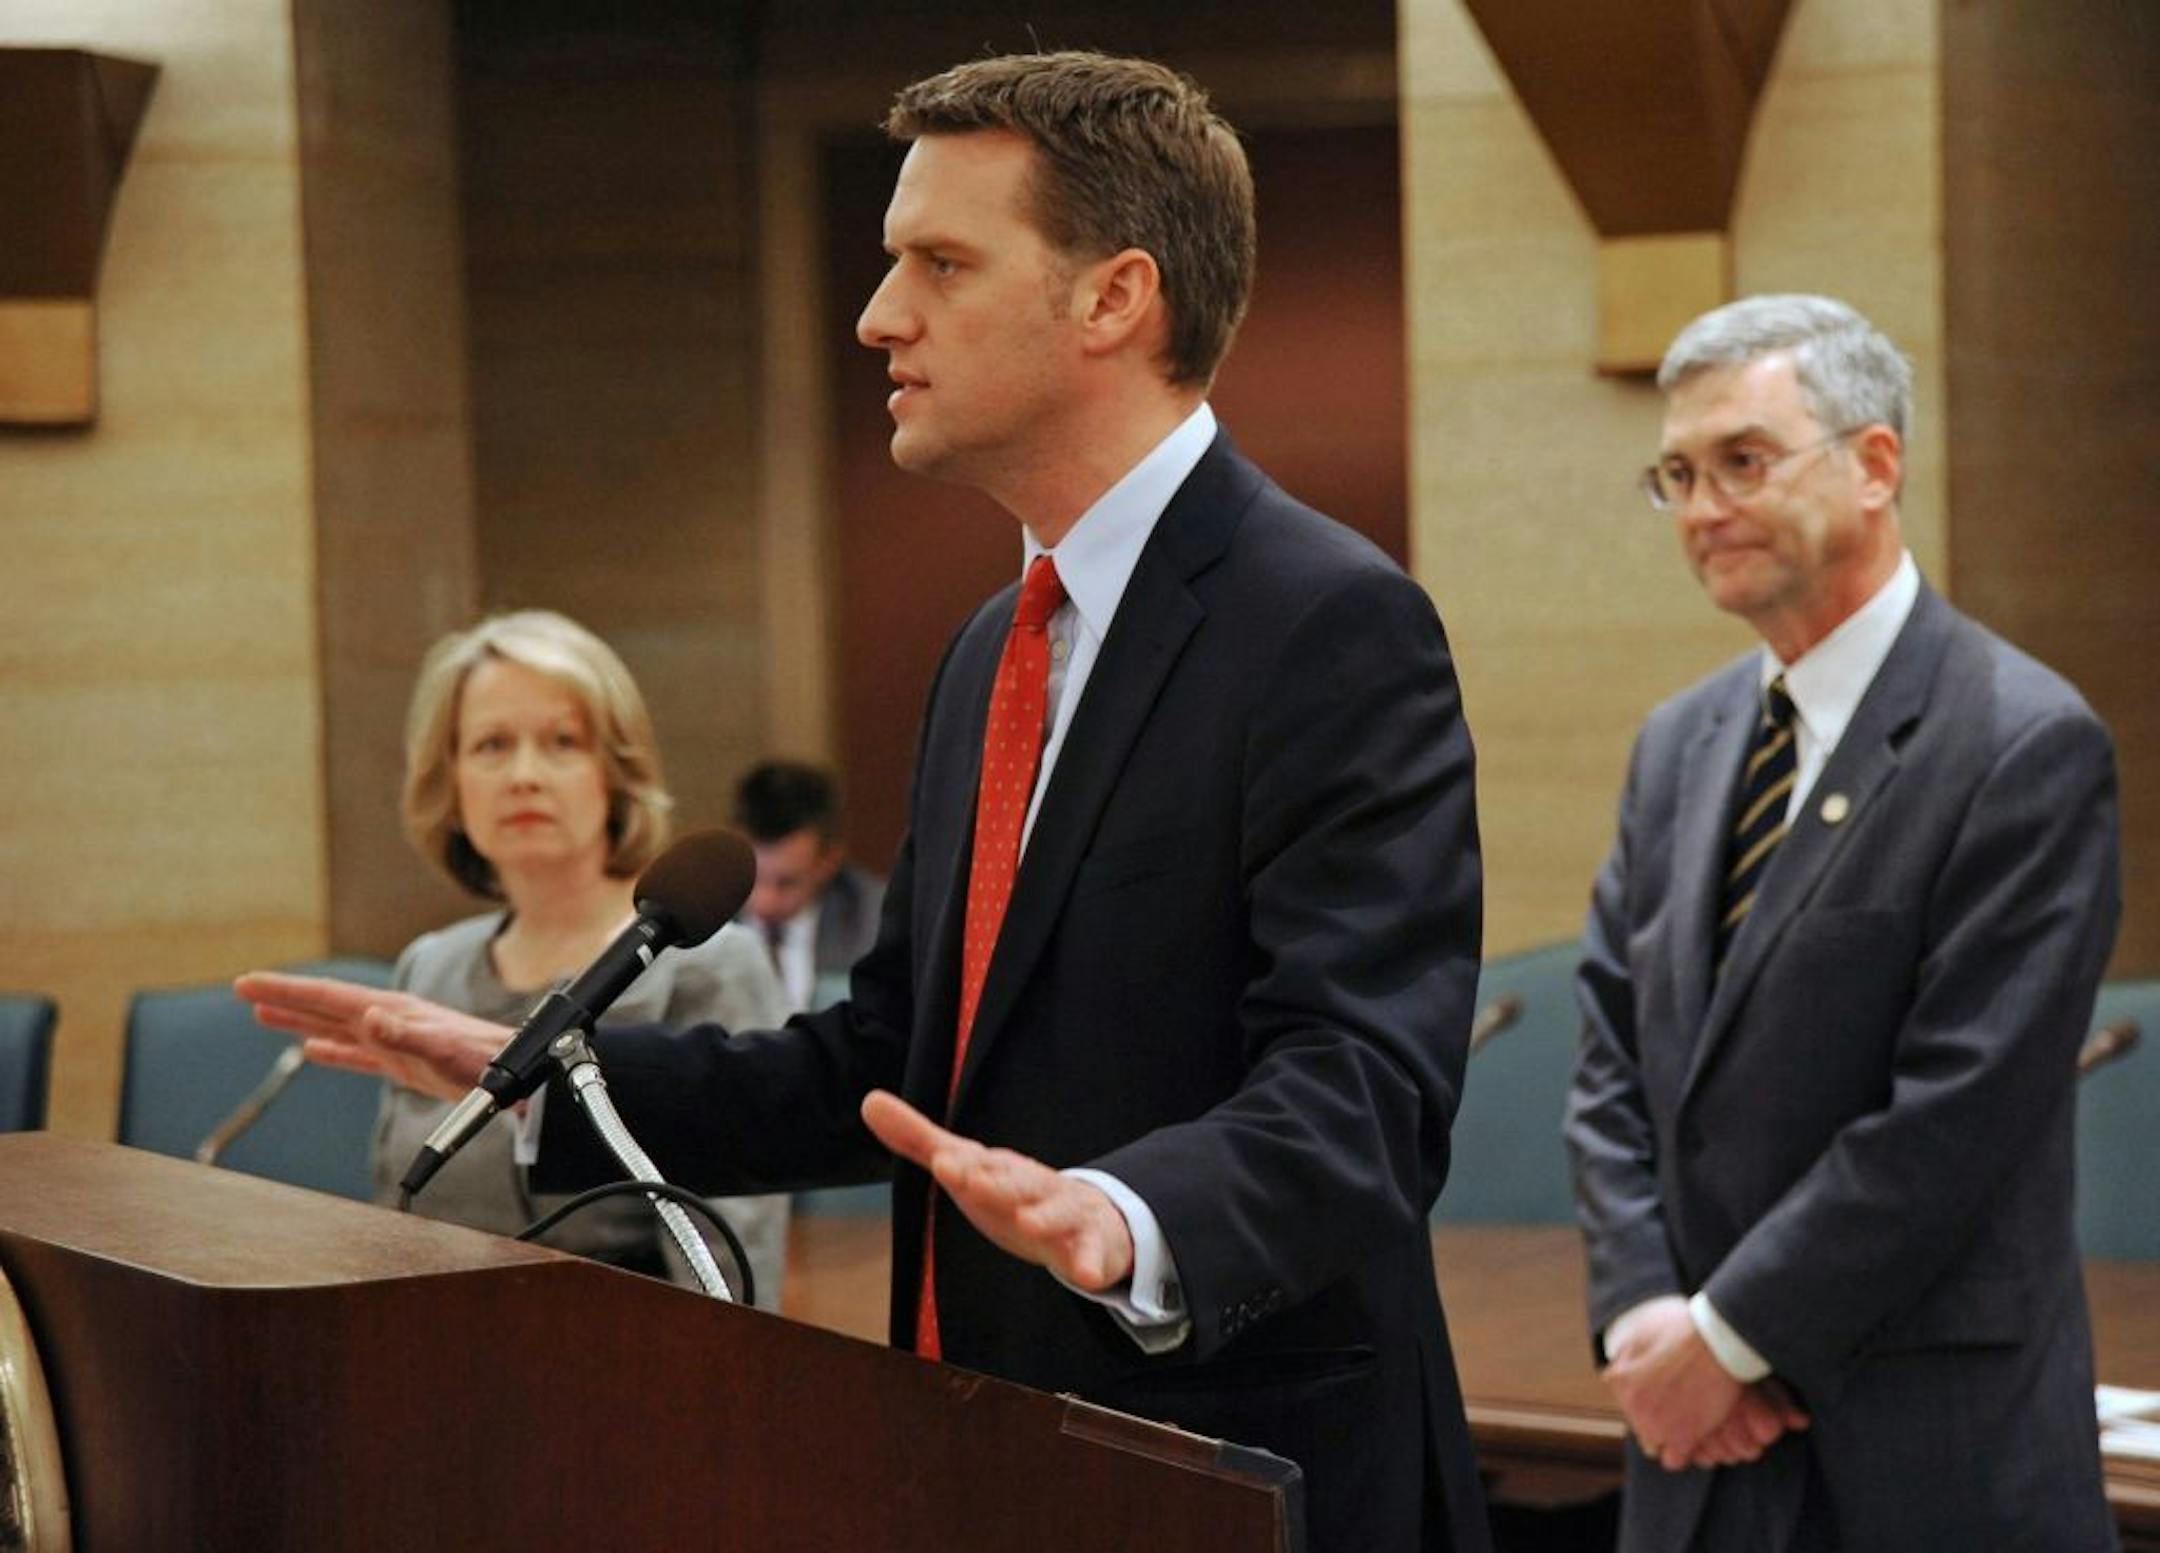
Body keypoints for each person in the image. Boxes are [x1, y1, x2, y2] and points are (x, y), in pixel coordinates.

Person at [241, 52, 1488, 1551]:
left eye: (939, 263)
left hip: (1238, 1461)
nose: (877, 315)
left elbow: (1364, 1086)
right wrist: (545, 1069)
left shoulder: (1329, 622)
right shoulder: (988, 652)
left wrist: (1125, 1213)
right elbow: (890, 1063)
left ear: (1114, 300)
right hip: (989, 1443)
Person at [1565, 294, 2120, 1551]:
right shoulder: (1679, 744)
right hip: (1693, 1450)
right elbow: (1609, 1055)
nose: (1704, 508)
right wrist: (1647, 1313)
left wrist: (1726, 1337)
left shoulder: (2022, 741)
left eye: (1744, 461)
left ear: (1876, 463)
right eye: (1679, 473)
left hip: (1928, 1454)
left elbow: (1955, 1115)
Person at [372, 609, 794, 1310]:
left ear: (615, 773)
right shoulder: (429, 967)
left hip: (625, 1378)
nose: (524, 775)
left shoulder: (704, 966)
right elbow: (389, 1223)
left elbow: (728, 1275)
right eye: (491, 744)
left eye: (562, 742)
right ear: (450, 781)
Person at [732, 759, 885, 1011]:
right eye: (751, 878)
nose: (764, 902)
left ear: (828, 862)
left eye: (786, 883)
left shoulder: (874, 925)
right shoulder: (703, 924)